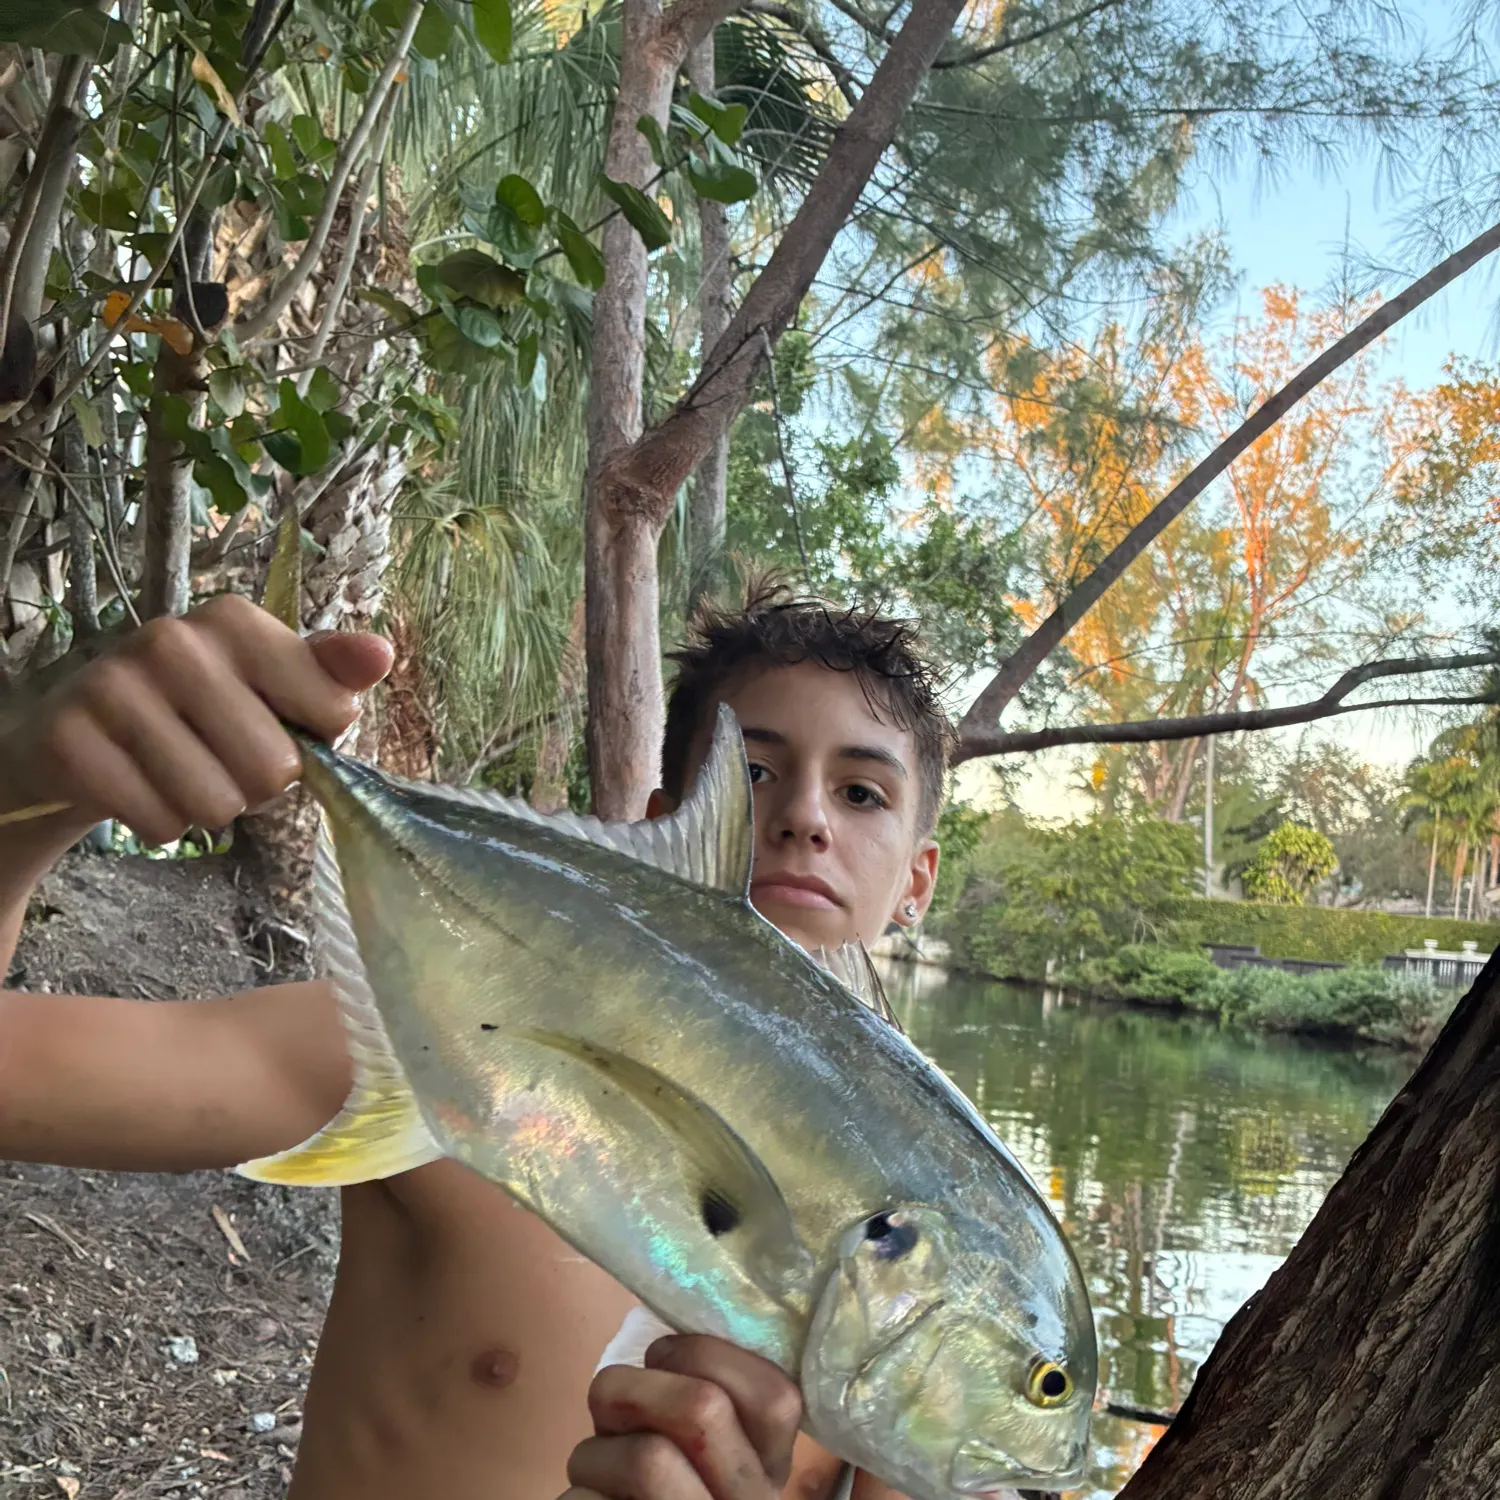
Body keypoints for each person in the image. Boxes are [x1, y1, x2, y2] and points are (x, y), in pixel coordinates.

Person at [0, 580, 951, 1500]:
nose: (805, 818)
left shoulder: (939, 1272)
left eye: (862, 793)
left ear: (918, 881)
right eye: (754, 774)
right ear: (668, 827)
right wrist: (31, 788)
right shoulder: (429, 1043)